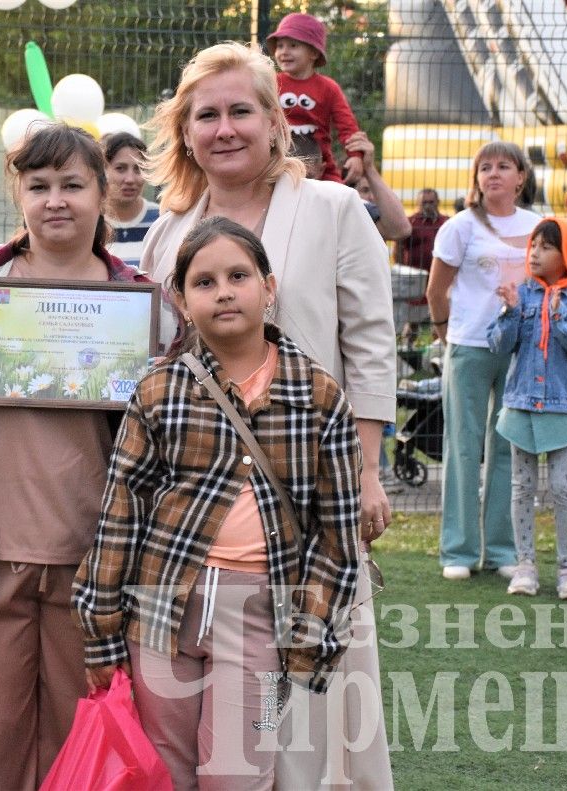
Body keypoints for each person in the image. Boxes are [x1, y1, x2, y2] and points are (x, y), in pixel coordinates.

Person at [137, 41, 395, 790]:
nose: (224, 128)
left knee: (319, 689)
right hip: (198, 507)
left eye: (240, 110)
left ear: (275, 121)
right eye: (205, 115)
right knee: (208, 705)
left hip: (312, 488)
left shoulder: (333, 207)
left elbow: (371, 345)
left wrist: (369, 469)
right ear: (185, 132)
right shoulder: (166, 232)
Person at [75, 217, 363, 790]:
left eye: (238, 276)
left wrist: (311, 635)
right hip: (161, 610)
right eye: (204, 282)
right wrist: (103, 631)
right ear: (181, 301)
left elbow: (337, 533)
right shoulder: (159, 390)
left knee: (239, 772)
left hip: (261, 614)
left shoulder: (319, 394)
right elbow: (120, 517)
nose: (224, 291)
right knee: (161, 767)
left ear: (269, 287)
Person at [0, 123, 154, 790]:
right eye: (39, 184)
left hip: (91, 556)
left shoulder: (137, 293)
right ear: (16, 191)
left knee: (74, 734)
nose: (57, 200)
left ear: (103, 192)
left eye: (74, 185)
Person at [425, 140, 540, 581]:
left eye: (503, 166)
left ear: (520, 177)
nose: (493, 173)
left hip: (520, 349)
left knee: (509, 445)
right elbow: (437, 290)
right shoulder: (460, 227)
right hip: (469, 346)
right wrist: (447, 336)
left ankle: (502, 550)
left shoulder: (538, 225)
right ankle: (458, 550)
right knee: (463, 445)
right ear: (476, 178)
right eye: (485, 167)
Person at [486, 218, 567, 600]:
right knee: (522, 488)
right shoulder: (521, 294)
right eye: (533, 245)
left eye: (546, 246)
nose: (534, 252)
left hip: (561, 409)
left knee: (562, 488)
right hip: (521, 406)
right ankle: (525, 566)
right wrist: (510, 312)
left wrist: (560, 316)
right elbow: (500, 346)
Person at [265, 13, 363, 185]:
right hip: (276, 165)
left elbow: (347, 125)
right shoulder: (271, 82)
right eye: (280, 46)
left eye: (293, 45)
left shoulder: (328, 88)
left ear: (314, 52)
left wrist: (355, 156)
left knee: (337, 197)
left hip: (319, 167)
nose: (284, 52)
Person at [102, 132, 159, 268]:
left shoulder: (160, 219)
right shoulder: (91, 221)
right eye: (120, 169)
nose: (130, 179)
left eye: (138, 169)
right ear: (103, 171)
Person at [342, 131, 411, 243]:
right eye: (365, 190)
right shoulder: (343, 209)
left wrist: (369, 168)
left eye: (374, 191)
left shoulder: (373, 217)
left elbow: (402, 230)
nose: (372, 197)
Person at [399, 188, 447, 273]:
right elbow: (399, 248)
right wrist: (402, 270)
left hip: (440, 273)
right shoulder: (410, 222)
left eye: (431, 202)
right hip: (414, 274)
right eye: (424, 203)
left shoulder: (446, 222)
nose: (428, 206)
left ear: (438, 202)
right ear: (418, 203)